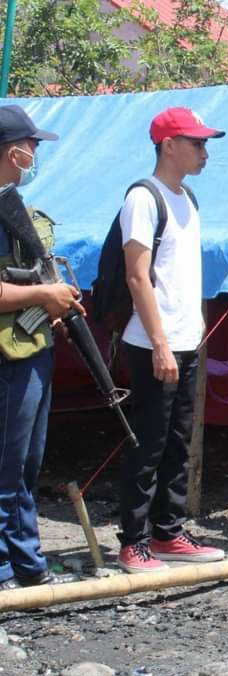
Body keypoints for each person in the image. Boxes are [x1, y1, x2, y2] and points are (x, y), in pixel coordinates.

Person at [116, 107, 227, 573]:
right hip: (151, 341)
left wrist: (189, 337)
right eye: (196, 143)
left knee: (179, 441)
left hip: (186, 339)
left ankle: (168, 533)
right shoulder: (143, 197)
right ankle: (133, 540)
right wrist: (160, 342)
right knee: (148, 442)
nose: (204, 152)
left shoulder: (191, 199)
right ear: (168, 145)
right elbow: (137, 277)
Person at [0, 105, 79, 590]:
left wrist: (56, 303)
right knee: (5, 469)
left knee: (26, 467)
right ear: (13, 150)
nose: (34, 154)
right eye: (32, 146)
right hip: (8, 359)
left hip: (31, 350)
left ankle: (28, 565)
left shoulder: (16, 212)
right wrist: (43, 295)